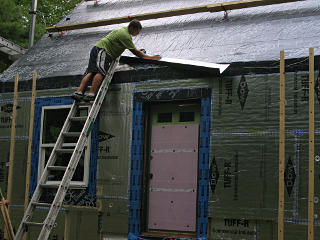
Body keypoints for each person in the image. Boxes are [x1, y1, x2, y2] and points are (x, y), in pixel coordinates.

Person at [72, 19, 161, 102]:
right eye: (137, 31)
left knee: (91, 72)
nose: (137, 33)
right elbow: (136, 53)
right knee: (100, 72)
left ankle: (79, 92)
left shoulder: (122, 30)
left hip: (97, 49)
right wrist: (151, 57)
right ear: (132, 28)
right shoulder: (125, 36)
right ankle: (91, 94)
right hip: (103, 51)